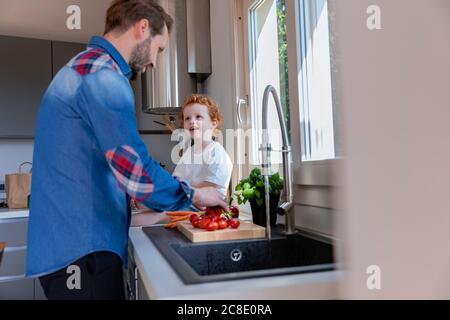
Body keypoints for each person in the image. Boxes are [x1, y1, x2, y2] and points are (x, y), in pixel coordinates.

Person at [26, 0, 227, 300]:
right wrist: (196, 195)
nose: (155, 63)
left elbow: (115, 169)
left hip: (68, 249)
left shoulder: (82, 67)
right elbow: (137, 174)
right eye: (159, 49)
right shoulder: (104, 77)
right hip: (83, 252)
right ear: (142, 27)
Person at [173, 94, 233, 197]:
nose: (192, 121)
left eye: (198, 117)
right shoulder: (188, 153)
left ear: (213, 123)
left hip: (208, 211)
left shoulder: (216, 152)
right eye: (187, 118)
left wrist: (181, 192)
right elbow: (176, 180)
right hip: (186, 208)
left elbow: (211, 187)